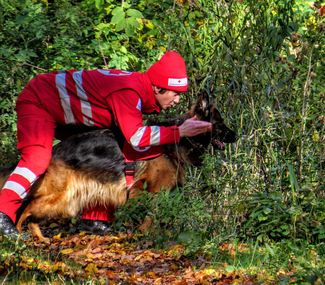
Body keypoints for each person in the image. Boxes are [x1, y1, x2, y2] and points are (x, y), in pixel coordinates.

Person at [0, 51, 212, 239]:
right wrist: (180, 131)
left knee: (102, 155)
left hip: (70, 113)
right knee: (36, 160)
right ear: (157, 88)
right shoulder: (130, 92)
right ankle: (3, 215)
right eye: (175, 94)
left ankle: (94, 221)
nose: (176, 101)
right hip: (39, 101)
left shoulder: (140, 89)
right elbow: (137, 138)